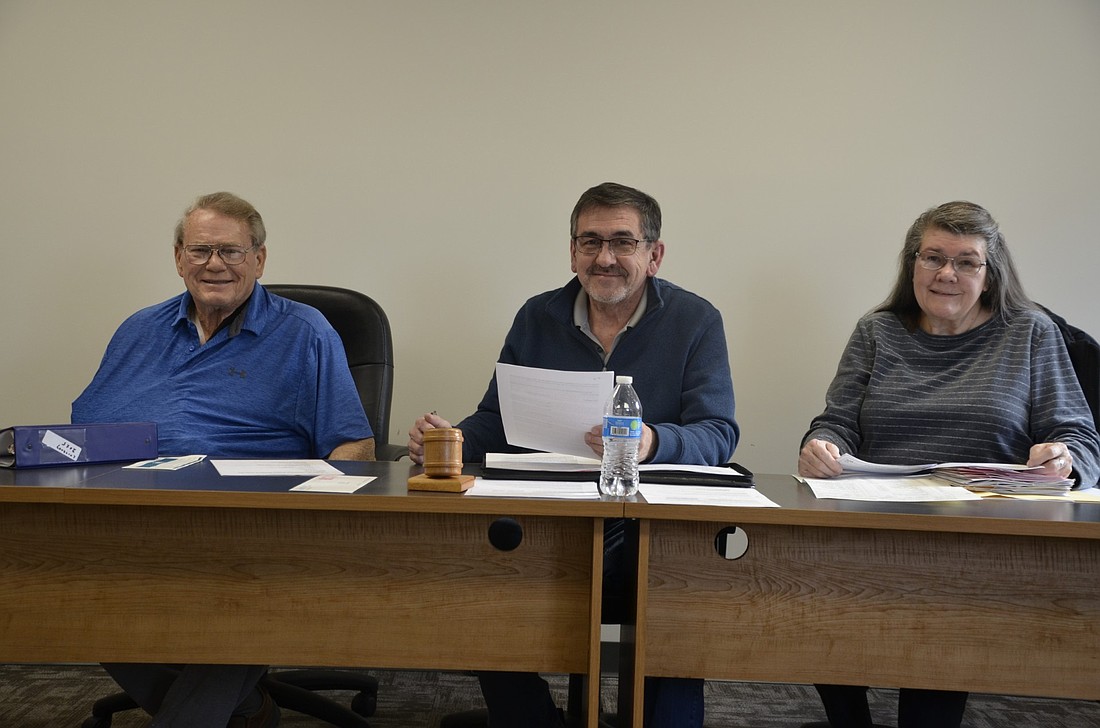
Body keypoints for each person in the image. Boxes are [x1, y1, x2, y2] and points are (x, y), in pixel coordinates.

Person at [409, 182, 739, 728]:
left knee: (676, 598)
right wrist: (457, 439)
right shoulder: (538, 316)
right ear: (572, 252)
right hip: (549, 510)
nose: (604, 258)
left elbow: (718, 433)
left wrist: (651, 442)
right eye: (589, 242)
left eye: (622, 243)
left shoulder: (695, 321)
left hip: (646, 520)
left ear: (653, 255)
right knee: (478, 583)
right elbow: (497, 418)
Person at [72, 191, 376, 728]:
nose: (215, 264)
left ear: (259, 259)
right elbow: (85, 433)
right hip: (140, 518)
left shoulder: (304, 332)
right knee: (59, 585)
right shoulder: (138, 330)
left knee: (241, 596)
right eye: (200, 250)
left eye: (232, 252)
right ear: (178, 258)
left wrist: (316, 515)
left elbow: (355, 447)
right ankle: (245, 706)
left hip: (253, 526)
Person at [798, 200, 1100, 728]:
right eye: (933, 257)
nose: (946, 274)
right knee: (806, 589)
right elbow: (838, 421)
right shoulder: (878, 331)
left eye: (966, 261)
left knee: (940, 612)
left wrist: (1063, 458)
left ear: (990, 274)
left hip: (982, 532)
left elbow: (1077, 435)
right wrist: (821, 443)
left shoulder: (1029, 332)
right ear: (911, 264)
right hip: (874, 522)